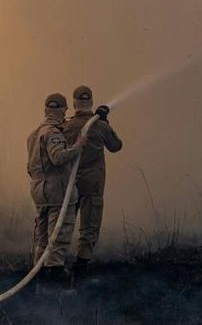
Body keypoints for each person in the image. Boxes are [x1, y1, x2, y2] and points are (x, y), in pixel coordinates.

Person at [27, 93, 88, 279]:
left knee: (42, 239)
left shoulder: (34, 133)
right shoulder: (53, 133)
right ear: (62, 110)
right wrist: (78, 146)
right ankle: (53, 283)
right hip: (58, 194)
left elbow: (30, 166)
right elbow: (58, 158)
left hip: (40, 193)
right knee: (58, 236)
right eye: (64, 110)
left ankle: (38, 278)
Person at [63, 85, 123, 270]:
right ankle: (81, 265)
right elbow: (116, 146)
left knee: (64, 222)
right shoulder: (101, 126)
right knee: (90, 225)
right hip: (93, 184)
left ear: (74, 103)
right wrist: (105, 122)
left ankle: (55, 263)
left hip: (69, 185)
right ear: (91, 102)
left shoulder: (66, 126)